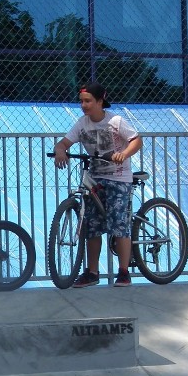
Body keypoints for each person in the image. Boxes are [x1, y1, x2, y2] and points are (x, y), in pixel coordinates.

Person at [52, 82, 143, 287]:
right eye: (81, 101)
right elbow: (64, 143)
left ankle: (123, 272)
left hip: (118, 177)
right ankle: (92, 272)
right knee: (91, 225)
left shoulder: (116, 121)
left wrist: (124, 154)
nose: (83, 105)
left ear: (100, 101)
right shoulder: (82, 123)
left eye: (88, 101)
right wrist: (60, 149)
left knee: (119, 223)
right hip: (95, 177)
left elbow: (136, 140)